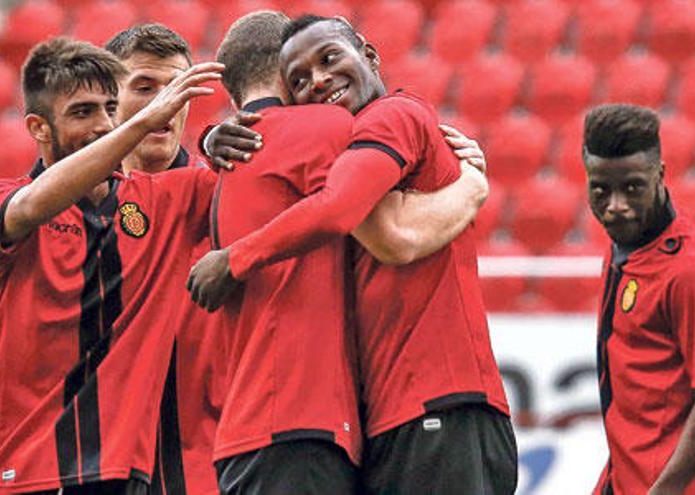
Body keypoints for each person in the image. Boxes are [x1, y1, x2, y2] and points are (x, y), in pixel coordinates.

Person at [189, 15, 516, 494]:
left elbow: (389, 235)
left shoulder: (393, 114)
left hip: (437, 404)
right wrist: (210, 137)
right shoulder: (345, 139)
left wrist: (236, 256)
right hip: (392, 418)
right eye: (298, 80)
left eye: (329, 58)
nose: (319, 80)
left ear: (369, 54)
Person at [0, 36, 223, 494]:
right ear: (39, 127)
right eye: (83, 113)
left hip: (117, 473)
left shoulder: (158, 202)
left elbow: (258, 176)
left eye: (109, 109)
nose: (104, 124)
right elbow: (30, 206)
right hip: (23, 471)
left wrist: (215, 136)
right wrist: (140, 123)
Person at [104, 24, 223, 495]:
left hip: (211, 465)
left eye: (177, 87)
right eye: (145, 88)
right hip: (108, 465)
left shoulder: (222, 197)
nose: (164, 104)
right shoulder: (79, 206)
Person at [583, 104, 695, 495]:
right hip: (626, 479)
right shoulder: (626, 249)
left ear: (660, 175)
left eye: (633, 188)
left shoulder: (690, 271)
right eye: (600, 190)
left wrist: (664, 490)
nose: (616, 205)